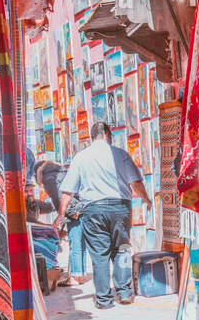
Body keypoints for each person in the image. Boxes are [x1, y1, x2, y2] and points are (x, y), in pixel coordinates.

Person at [55, 121, 151, 309]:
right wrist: (146, 200)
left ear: (92, 137)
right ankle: (124, 293)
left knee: (99, 255)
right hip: (120, 209)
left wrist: (61, 214)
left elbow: (68, 191)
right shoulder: (120, 155)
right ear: (108, 135)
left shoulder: (81, 158)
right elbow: (136, 183)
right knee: (122, 248)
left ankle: (104, 299)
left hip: (93, 211)